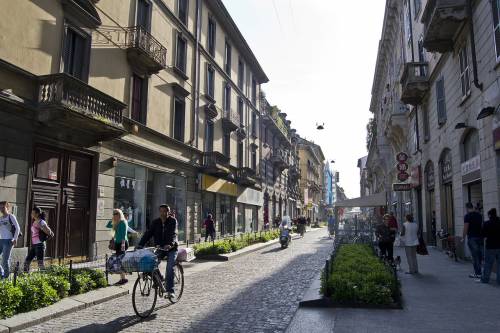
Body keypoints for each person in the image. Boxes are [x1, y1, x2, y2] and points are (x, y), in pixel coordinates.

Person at [138, 204, 178, 299]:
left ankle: (170, 291)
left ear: (168, 212)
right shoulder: (155, 222)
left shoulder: (173, 221)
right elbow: (148, 234)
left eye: (165, 211)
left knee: (169, 268)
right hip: (160, 248)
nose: (163, 213)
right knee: (151, 263)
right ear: (159, 212)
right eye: (161, 211)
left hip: (171, 248)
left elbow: (174, 234)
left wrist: (170, 244)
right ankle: (159, 279)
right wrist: (140, 245)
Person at [23, 206, 54, 272]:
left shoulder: (41, 222)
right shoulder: (34, 222)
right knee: (27, 261)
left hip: (40, 244)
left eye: (33, 213)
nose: (31, 214)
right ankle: (25, 277)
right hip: (34, 245)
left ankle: (43, 278)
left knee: (40, 263)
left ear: (37, 214)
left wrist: (42, 228)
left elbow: (50, 232)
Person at [106, 209, 129, 285]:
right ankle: (123, 278)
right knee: (120, 261)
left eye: (116, 214)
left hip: (123, 243)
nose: (115, 215)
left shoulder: (123, 222)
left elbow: (122, 236)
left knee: (120, 260)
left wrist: (122, 248)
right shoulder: (115, 222)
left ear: (120, 214)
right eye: (114, 214)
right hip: (118, 243)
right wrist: (113, 219)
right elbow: (108, 225)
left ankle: (124, 278)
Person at [478, 208, 500, 284]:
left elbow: (483, 235)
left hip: (490, 246)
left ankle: (485, 279)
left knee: (488, 264)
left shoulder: (487, 223)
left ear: (490, 215)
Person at [462, 202, 484, 278]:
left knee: (475, 256)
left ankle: (478, 273)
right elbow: (481, 226)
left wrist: (463, 237)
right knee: (480, 255)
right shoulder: (479, 215)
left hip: (472, 238)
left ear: (467, 208)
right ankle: (480, 272)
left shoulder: (467, 216)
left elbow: (466, 228)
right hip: (480, 237)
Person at [0, 201, 20, 279]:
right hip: (1, 240)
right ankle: (2, 273)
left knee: (5, 260)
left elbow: (18, 228)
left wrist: (15, 238)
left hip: (9, 241)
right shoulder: (0, 218)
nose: (1, 209)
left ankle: (6, 277)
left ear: (7, 207)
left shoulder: (11, 216)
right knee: (4, 260)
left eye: (3, 207)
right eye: (0, 207)